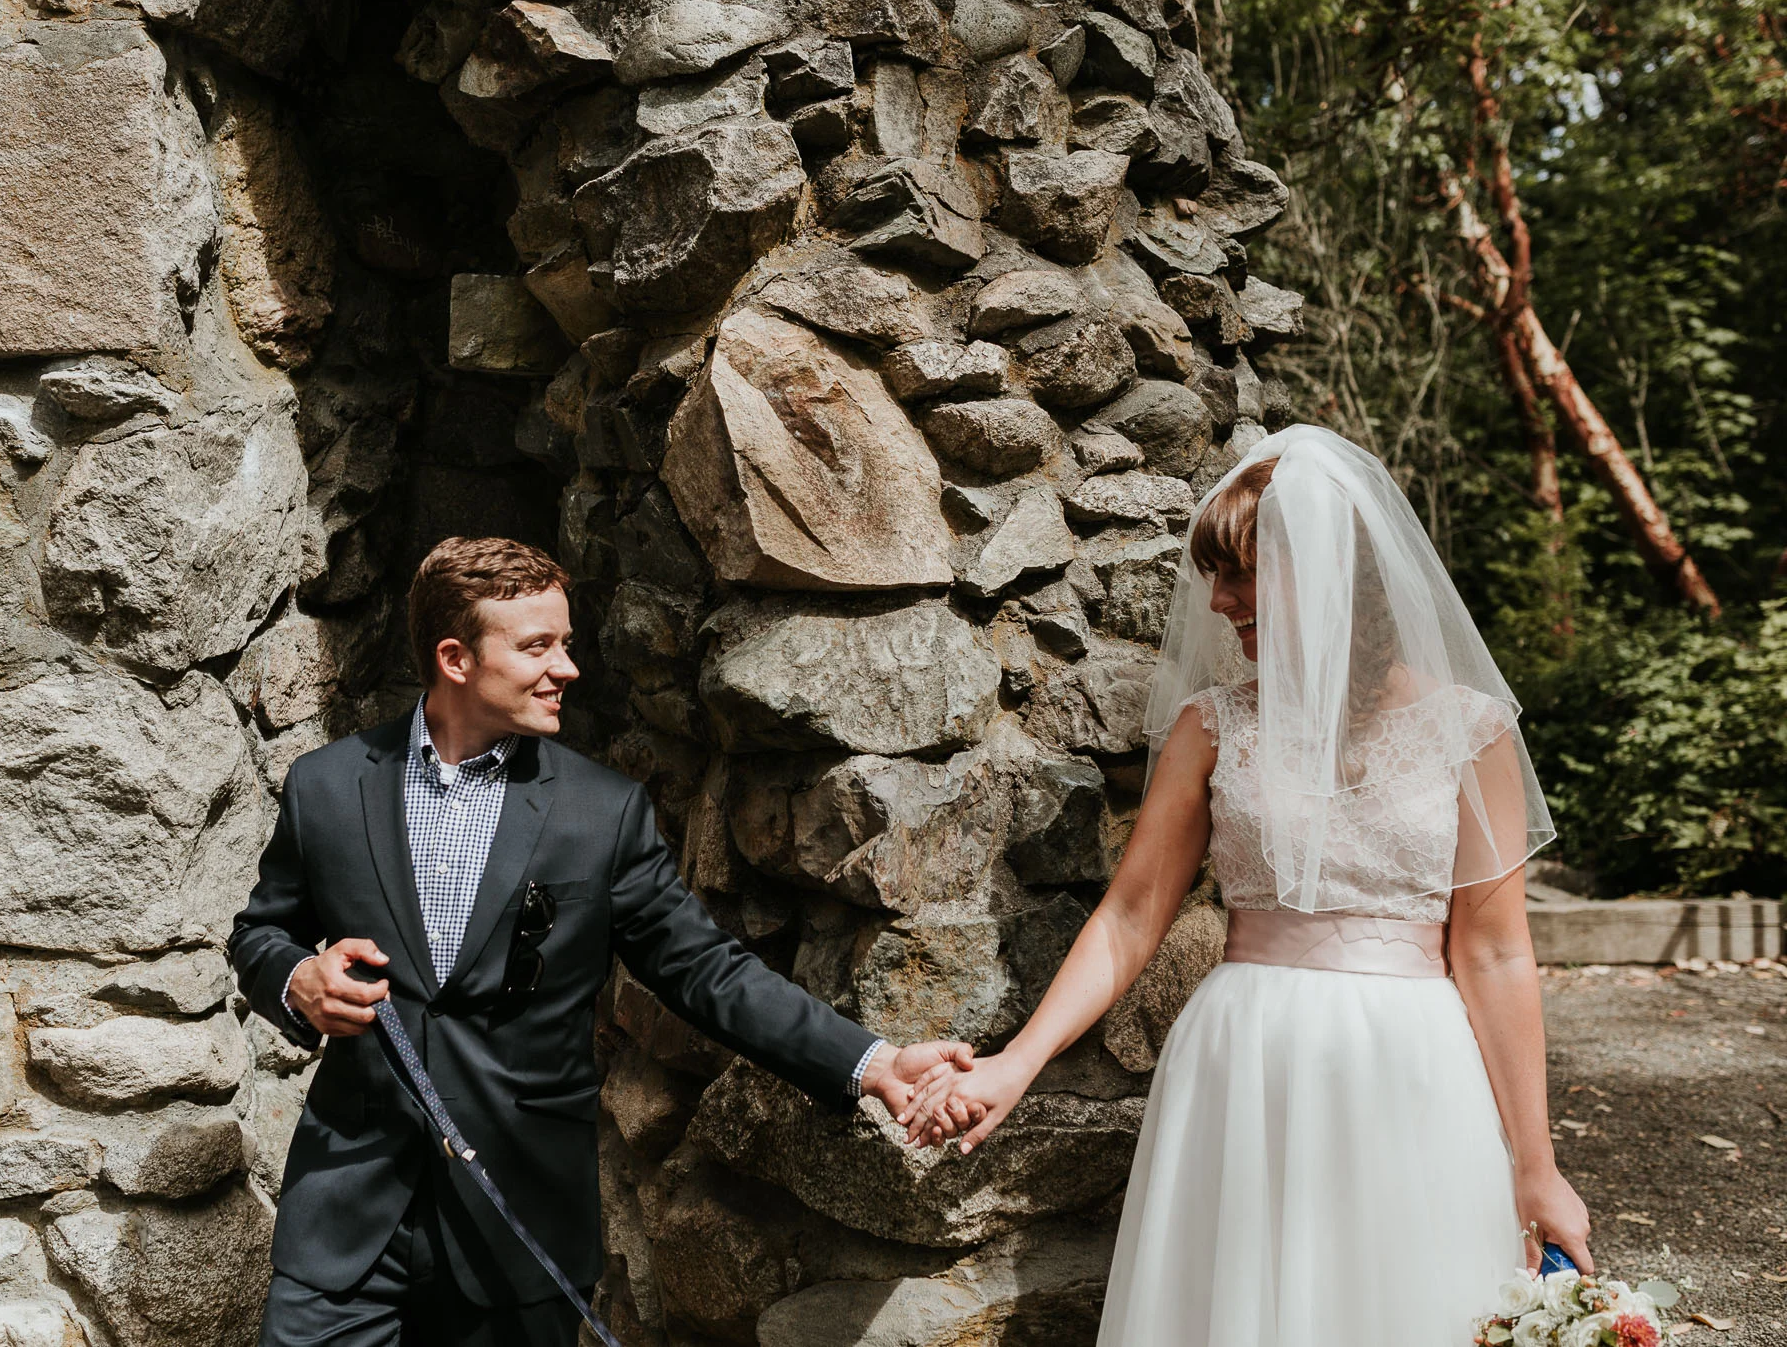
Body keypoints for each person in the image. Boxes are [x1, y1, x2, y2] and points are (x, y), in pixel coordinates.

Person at [904, 426, 1593, 1346]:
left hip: (1413, 1069)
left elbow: (1497, 949)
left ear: (1334, 572)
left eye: (1242, 573)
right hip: (1243, 1064)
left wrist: (1537, 1166)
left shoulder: (1469, 730)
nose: (1219, 601)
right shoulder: (1213, 724)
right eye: (1214, 576)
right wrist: (1014, 1064)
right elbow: (1132, 914)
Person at [231, 536, 972, 1347]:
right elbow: (261, 930)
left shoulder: (600, 812)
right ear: (455, 658)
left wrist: (869, 1063)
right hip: (344, 1221)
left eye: (568, 642)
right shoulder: (327, 784)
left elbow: (704, 969)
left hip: (519, 1227)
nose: (567, 668)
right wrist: (296, 977)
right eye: (537, 645)